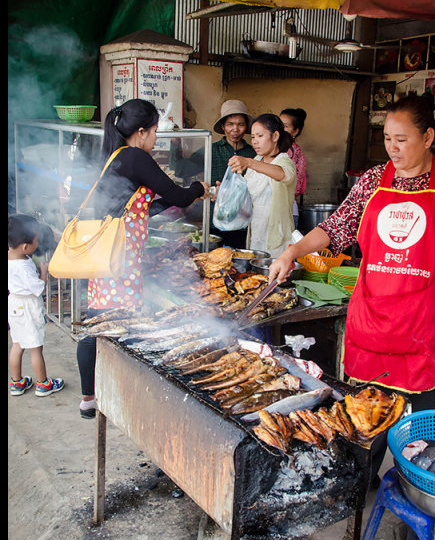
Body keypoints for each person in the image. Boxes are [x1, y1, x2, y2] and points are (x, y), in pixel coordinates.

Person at [269, 93, 435, 476]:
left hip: (429, 319)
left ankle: (422, 481)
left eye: (402, 139)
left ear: (427, 137)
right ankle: (364, 481)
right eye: (388, 138)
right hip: (374, 313)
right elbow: (335, 228)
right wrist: (292, 252)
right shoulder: (374, 180)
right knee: (366, 405)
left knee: (424, 409)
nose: (393, 148)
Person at [76, 98, 210, 418]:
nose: (155, 140)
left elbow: (141, 207)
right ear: (140, 132)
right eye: (154, 133)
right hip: (117, 259)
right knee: (111, 325)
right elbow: (177, 193)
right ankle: (110, 396)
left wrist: (175, 206)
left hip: (112, 255)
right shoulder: (136, 156)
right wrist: (197, 188)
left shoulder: (118, 156)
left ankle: (89, 398)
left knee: (101, 321)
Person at [8, 214, 65, 397]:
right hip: (28, 307)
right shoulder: (24, 266)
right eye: (36, 240)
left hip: (14, 304)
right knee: (35, 347)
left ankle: (16, 383)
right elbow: (38, 289)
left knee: (17, 344)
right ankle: (43, 384)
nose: (37, 243)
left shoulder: (10, 257)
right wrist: (43, 271)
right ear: (25, 246)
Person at [228, 113, 297, 257]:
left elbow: (283, 175)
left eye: (260, 136)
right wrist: (224, 193)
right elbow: (246, 193)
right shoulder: (257, 159)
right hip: (256, 232)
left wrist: (249, 163)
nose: (255, 142)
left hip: (277, 235)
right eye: (253, 137)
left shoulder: (283, 161)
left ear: (275, 136)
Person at [211, 99, 256, 248]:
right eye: (230, 124)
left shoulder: (253, 154)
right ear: (223, 126)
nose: (235, 129)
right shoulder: (212, 150)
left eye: (240, 124)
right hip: (216, 220)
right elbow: (180, 168)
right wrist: (176, 144)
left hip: (242, 221)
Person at [280, 108, 308, 227]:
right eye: (279, 124)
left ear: (295, 131)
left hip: (287, 210)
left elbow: (297, 188)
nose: (280, 129)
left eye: (285, 126)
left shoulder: (296, 153)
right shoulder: (274, 148)